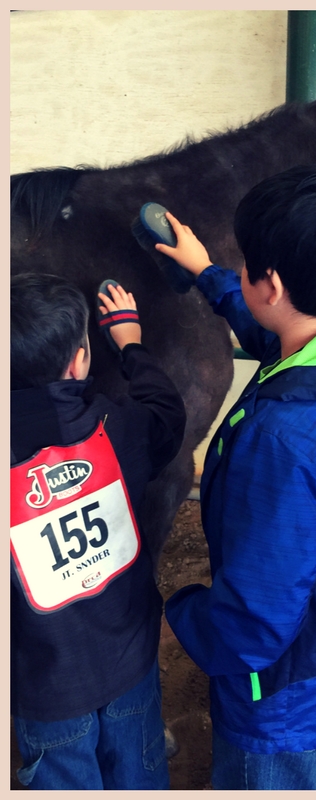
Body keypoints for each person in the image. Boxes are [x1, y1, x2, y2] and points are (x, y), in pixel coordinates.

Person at [159, 164, 316, 791]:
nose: (241, 276)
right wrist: (208, 273)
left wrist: (182, 610)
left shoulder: (283, 440)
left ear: (273, 284)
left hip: (275, 690)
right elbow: (269, 332)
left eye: (246, 266)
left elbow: (255, 625)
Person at [10, 275, 186, 790]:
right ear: (80, 360)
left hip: (45, 689)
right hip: (130, 664)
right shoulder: (121, 429)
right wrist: (130, 344)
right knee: (140, 776)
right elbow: (166, 414)